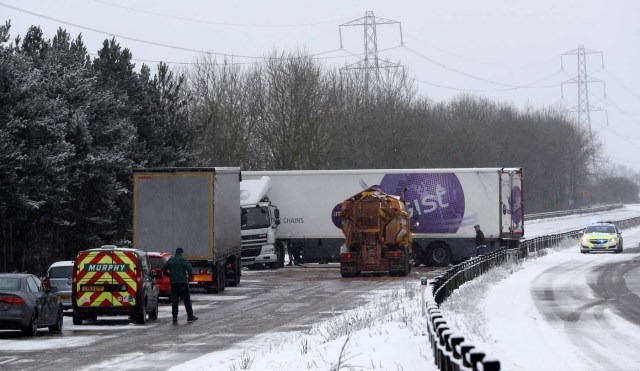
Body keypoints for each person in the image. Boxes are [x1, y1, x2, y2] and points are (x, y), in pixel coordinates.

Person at [163, 247, 198, 323]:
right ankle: (190, 316)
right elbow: (190, 269)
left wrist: (169, 275)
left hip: (174, 283)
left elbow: (164, 268)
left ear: (176, 253)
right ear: (181, 253)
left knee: (175, 301)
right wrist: (188, 277)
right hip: (183, 283)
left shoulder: (171, 260)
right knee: (186, 300)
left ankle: (175, 317)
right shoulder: (184, 260)